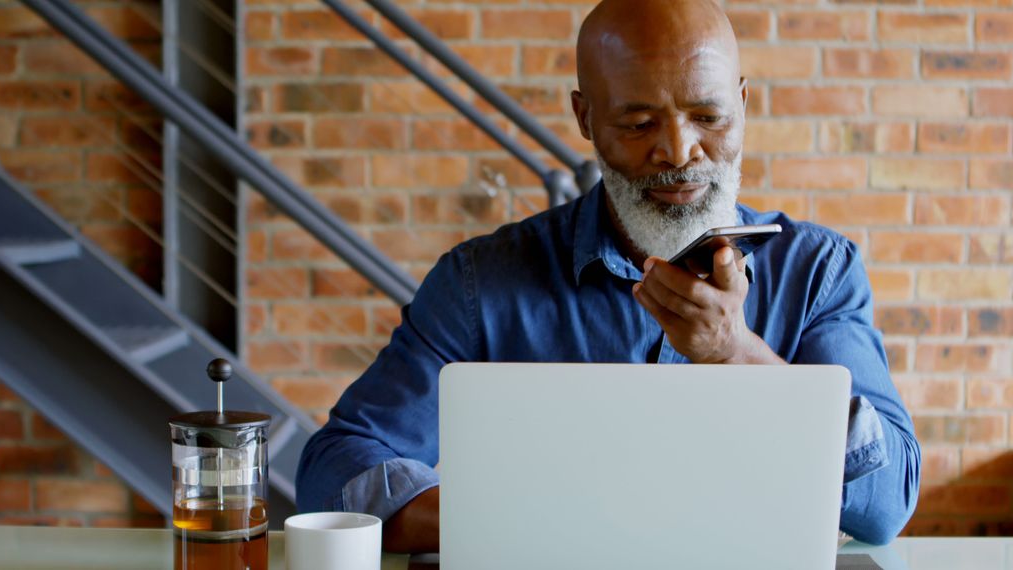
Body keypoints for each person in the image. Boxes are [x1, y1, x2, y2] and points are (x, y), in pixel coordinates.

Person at [295, 0, 920, 550]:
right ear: (586, 119)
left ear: (744, 104)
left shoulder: (818, 272)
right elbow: (334, 470)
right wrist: (522, 520)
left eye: (708, 116)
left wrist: (735, 354)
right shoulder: (480, 284)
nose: (678, 151)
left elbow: (887, 506)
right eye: (639, 123)